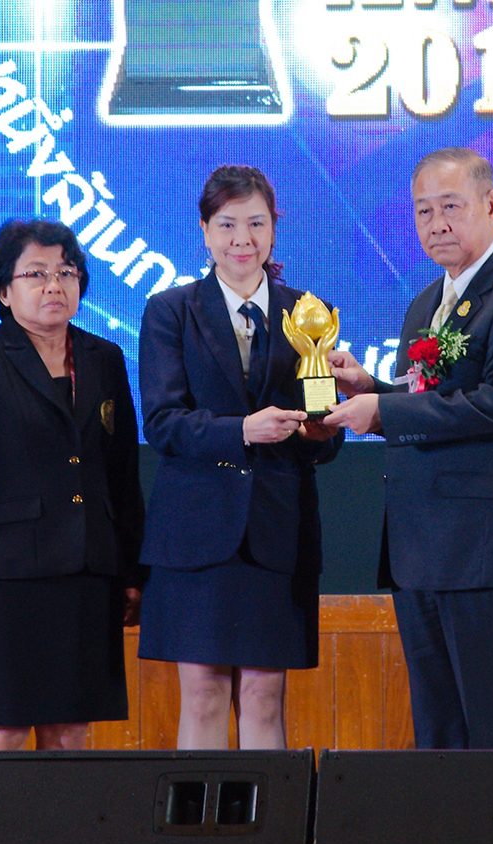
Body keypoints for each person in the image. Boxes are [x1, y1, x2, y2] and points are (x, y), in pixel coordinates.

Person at [325, 147, 493, 749]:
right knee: (439, 741)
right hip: (420, 552)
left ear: (492, 204)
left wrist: (384, 411)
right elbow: (427, 401)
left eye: (451, 207)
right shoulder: (425, 303)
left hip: (489, 553)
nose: (436, 223)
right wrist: (371, 390)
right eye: (423, 210)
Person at [137, 165, 342, 749]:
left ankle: (265, 815)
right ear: (204, 230)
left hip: (277, 532)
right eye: (227, 224)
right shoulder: (171, 311)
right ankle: (196, 816)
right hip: (197, 534)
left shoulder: (310, 313)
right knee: (202, 694)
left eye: (256, 223)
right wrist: (243, 430)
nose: (242, 239)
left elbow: (326, 432)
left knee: (263, 695)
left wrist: (321, 430)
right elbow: (163, 423)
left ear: (274, 228)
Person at [0, 219, 144, 750]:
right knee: (3, 729)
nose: (54, 285)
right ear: (4, 291)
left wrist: (131, 572)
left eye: (66, 273)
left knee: (70, 732)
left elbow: (122, 474)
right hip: (6, 580)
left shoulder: (104, 359)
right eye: (36, 274)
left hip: (88, 572)